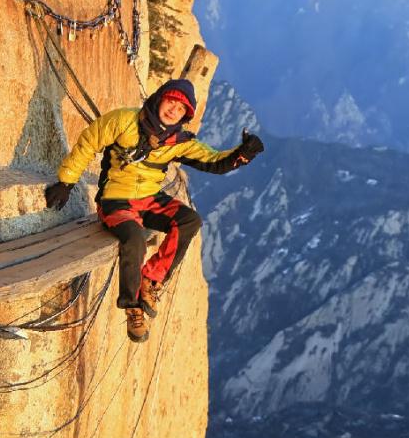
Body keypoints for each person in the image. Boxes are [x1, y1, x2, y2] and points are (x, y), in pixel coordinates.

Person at [43, 79, 264, 342]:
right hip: (116, 200)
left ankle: (151, 279)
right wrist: (66, 181)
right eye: (171, 102)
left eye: (181, 109)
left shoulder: (178, 142)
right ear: (160, 98)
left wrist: (243, 154)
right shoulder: (124, 121)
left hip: (150, 199)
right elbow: (89, 142)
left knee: (189, 220)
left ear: (184, 116)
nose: (173, 110)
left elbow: (214, 161)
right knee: (135, 238)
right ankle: (133, 305)